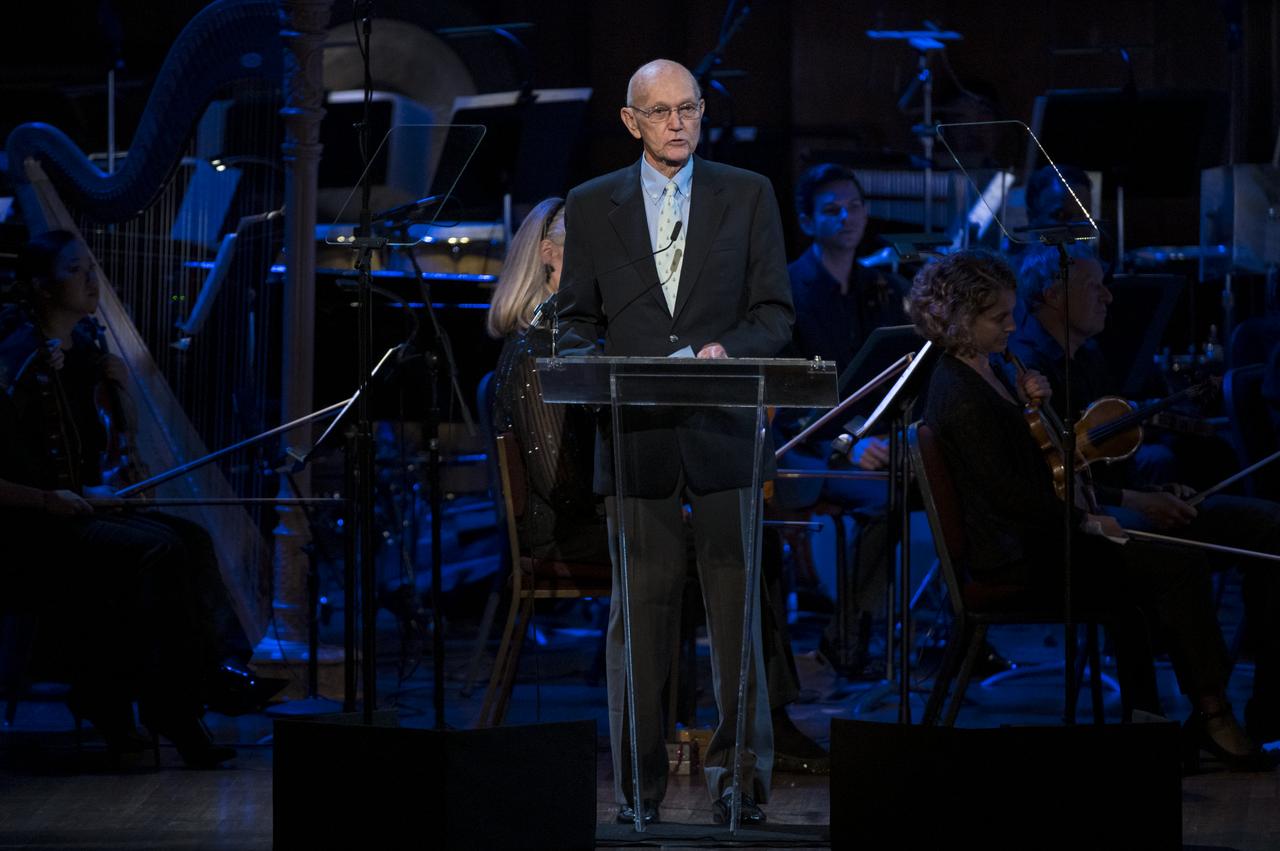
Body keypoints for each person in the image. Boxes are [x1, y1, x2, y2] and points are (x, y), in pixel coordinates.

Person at [911, 248, 1272, 771]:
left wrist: (1033, 403)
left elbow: (1038, 460)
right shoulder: (958, 391)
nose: (1015, 324)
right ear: (960, 319)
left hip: (1039, 535)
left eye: (1012, 312)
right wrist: (1086, 520)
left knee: (1165, 556)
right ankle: (1210, 715)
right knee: (1172, 562)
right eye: (999, 318)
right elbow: (1009, 495)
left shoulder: (990, 369)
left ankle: (1159, 718)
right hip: (1017, 553)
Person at [556, 59, 794, 825]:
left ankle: (740, 785)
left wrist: (727, 351)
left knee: (738, 620)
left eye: (687, 108)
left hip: (722, 432)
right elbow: (575, 324)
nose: (677, 123)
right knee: (641, 620)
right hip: (639, 437)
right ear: (632, 122)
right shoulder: (592, 206)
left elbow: (774, 314)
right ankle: (636, 790)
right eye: (660, 112)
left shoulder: (748, 193)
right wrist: (599, 370)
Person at [1010, 242, 1280, 747]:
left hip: (1120, 502)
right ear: (1051, 295)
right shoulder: (1024, 370)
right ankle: (1211, 710)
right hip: (1072, 527)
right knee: (1172, 547)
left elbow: (1110, 460)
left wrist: (1153, 489)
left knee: (1268, 525)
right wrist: (1135, 500)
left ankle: (1270, 707)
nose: (1109, 297)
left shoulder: (1087, 358)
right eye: (1094, 286)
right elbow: (1046, 477)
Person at [0, 230, 244, 767]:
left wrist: (122, 395)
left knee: (188, 536)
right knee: (158, 551)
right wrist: (48, 500)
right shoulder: (15, 361)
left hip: (74, 510)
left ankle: (168, 690)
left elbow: (106, 451)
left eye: (92, 267)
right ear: (41, 287)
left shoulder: (83, 351)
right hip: (26, 526)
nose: (93, 280)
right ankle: (172, 703)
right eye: (75, 270)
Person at [771, 162, 907, 678]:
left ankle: (943, 631)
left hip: (869, 443)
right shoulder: (787, 288)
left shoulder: (883, 288)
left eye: (854, 207)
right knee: (889, 499)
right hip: (806, 451)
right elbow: (788, 392)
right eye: (832, 210)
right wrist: (846, 443)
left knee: (938, 483)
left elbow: (891, 375)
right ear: (808, 222)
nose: (847, 218)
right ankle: (848, 636)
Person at [486, 197, 610, 565]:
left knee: (733, 538)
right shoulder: (535, 352)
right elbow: (562, 489)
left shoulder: (568, 340)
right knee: (726, 546)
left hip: (586, 521)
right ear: (549, 254)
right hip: (560, 535)